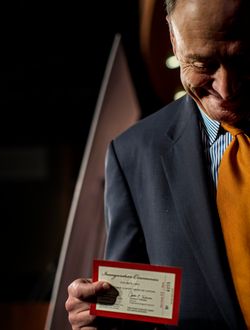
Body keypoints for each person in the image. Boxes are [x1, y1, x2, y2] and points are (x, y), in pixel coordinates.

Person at [65, 0, 250, 329]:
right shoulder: (133, 156)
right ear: (173, 40)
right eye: (203, 63)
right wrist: (97, 316)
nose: (227, 87)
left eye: (241, 58)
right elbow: (126, 316)